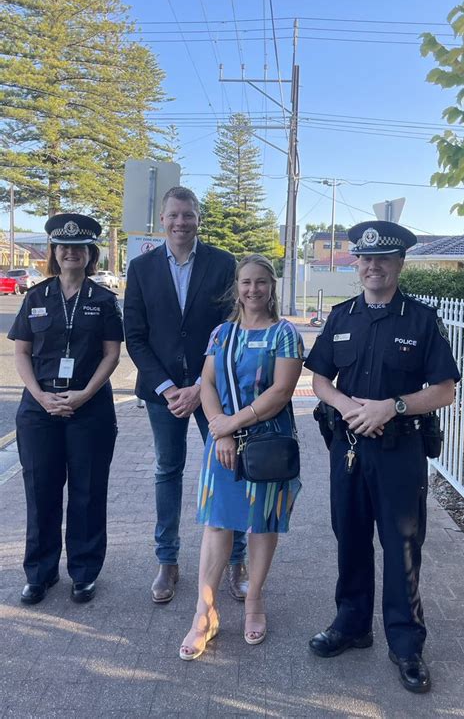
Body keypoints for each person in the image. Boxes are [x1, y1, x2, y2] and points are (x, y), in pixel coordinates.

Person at [305, 220, 460, 694]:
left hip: (399, 452)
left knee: (402, 548)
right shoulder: (341, 316)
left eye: (384, 259)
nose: (373, 266)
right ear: (357, 264)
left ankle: (406, 644)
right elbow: (319, 380)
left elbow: (444, 390)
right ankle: (352, 625)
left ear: (399, 264)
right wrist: (348, 406)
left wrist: (390, 407)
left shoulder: (421, 319)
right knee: (349, 538)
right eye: (365, 259)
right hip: (349, 449)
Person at [124, 186, 248, 604]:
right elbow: (135, 337)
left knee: (230, 468)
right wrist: (168, 388)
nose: (181, 222)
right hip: (163, 394)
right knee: (167, 471)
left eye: (188, 215)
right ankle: (167, 561)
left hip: (211, 388)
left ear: (199, 219)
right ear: (162, 220)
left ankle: (237, 561)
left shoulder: (222, 263)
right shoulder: (140, 269)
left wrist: (199, 385)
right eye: (174, 215)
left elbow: (230, 327)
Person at [179, 254, 304, 661]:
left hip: (268, 444)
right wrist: (219, 427)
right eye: (246, 282)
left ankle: (254, 601)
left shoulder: (285, 334)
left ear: (272, 287)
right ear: (238, 287)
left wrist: (233, 424)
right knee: (217, 525)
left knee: (262, 524)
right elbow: (209, 382)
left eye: (261, 282)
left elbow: (282, 391)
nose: (253, 290)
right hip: (224, 443)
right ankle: (204, 613)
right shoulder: (222, 333)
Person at [8, 213, 123, 605]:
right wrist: (40, 396)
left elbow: (112, 355)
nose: (71, 252)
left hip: (88, 407)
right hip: (39, 409)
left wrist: (85, 393)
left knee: (88, 493)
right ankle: (40, 574)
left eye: (78, 248)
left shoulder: (104, 301)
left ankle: (84, 573)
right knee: (40, 492)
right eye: (63, 247)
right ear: (54, 253)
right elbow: (21, 353)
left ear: (90, 254)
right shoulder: (36, 297)